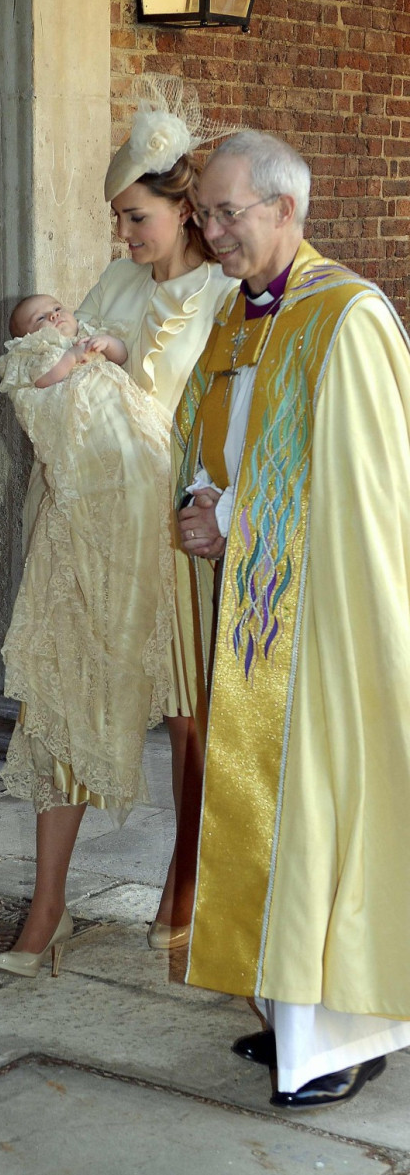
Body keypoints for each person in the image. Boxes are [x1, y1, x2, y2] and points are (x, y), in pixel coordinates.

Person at [173, 128, 410, 1108]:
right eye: (205, 212)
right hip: (257, 612)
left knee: (318, 811)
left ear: (285, 209)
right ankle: (288, 1017)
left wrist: (232, 517)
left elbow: (362, 492)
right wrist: (199, 494)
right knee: (264, 813)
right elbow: (210, 427)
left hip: (325, 623)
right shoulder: (239, 315)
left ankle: (344, 1032)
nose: (212, 230)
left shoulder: (345, 317)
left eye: (228, 212)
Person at [0, 77, 237, 977]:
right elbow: (63, 363)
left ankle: (188, 882)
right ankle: (47, 906)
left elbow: (181, 398)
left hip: (178, 534)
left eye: (137, 218)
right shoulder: (117, 280)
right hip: (101, 527)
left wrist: (102, 356)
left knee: (189, 723)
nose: (125, 237)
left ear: (182, 209)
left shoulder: (222, 289)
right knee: (62, 703)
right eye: (119, 222)